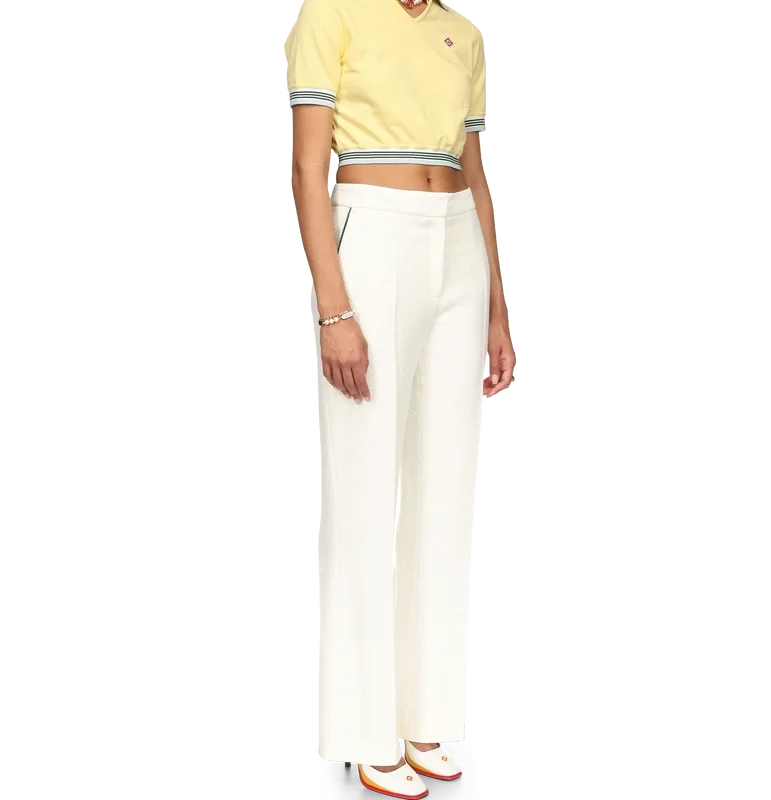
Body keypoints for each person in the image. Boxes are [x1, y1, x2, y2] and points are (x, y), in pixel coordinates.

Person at [286, 1, 514, 796]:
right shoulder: (332, 12)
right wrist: (334, 311)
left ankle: (428, 714)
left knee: (444, 494)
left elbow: (476, 171)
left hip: (457, 243)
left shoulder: (462, 28)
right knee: (364, 488)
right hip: (373, 232)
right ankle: (361, 725)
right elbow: (307, 165)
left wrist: (497, 310)